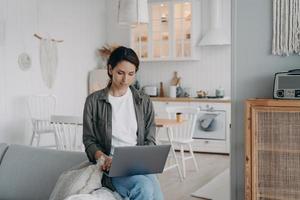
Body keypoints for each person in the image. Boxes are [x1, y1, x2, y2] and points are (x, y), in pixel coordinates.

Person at [83, 46, 164, 200]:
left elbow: (150, 139)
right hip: (111, 165)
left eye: (131, 74)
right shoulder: (93, 101)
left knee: (158, 196)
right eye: (120, 73)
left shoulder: (143, 101)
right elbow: (89, 140)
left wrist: (141, 159)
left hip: (138, 163)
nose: (125, 79)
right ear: (110, 69)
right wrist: (103, 158)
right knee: (144, 187)